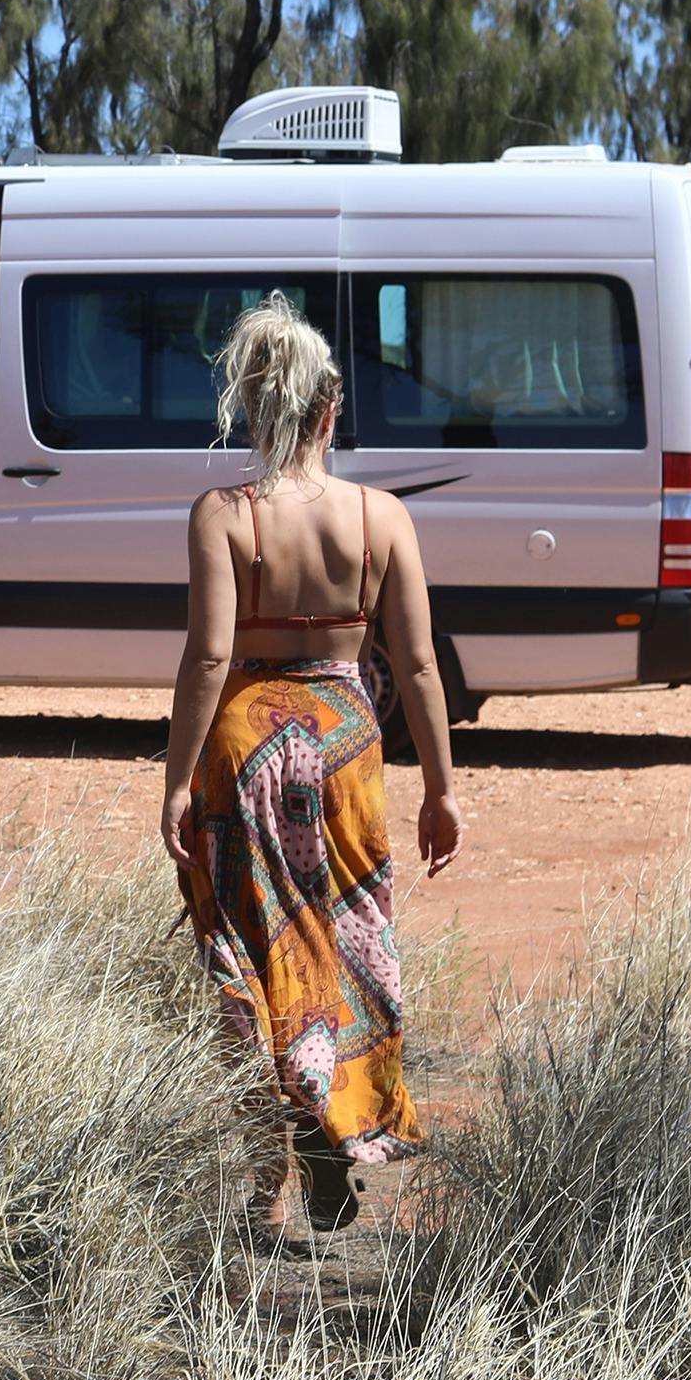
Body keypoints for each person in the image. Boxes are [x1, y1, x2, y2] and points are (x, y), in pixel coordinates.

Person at [157, 299, 462, 1232]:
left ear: (255, 411)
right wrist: (444, 789)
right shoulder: (381, 518)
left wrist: (175, 780)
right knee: (346, 942)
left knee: (255, 961)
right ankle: (339, 1123)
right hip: (347, 749)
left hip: (246, 751)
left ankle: (268, 1178)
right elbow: (414, 665)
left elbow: (211, 657)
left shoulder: (225, 516)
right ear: (332, 410)